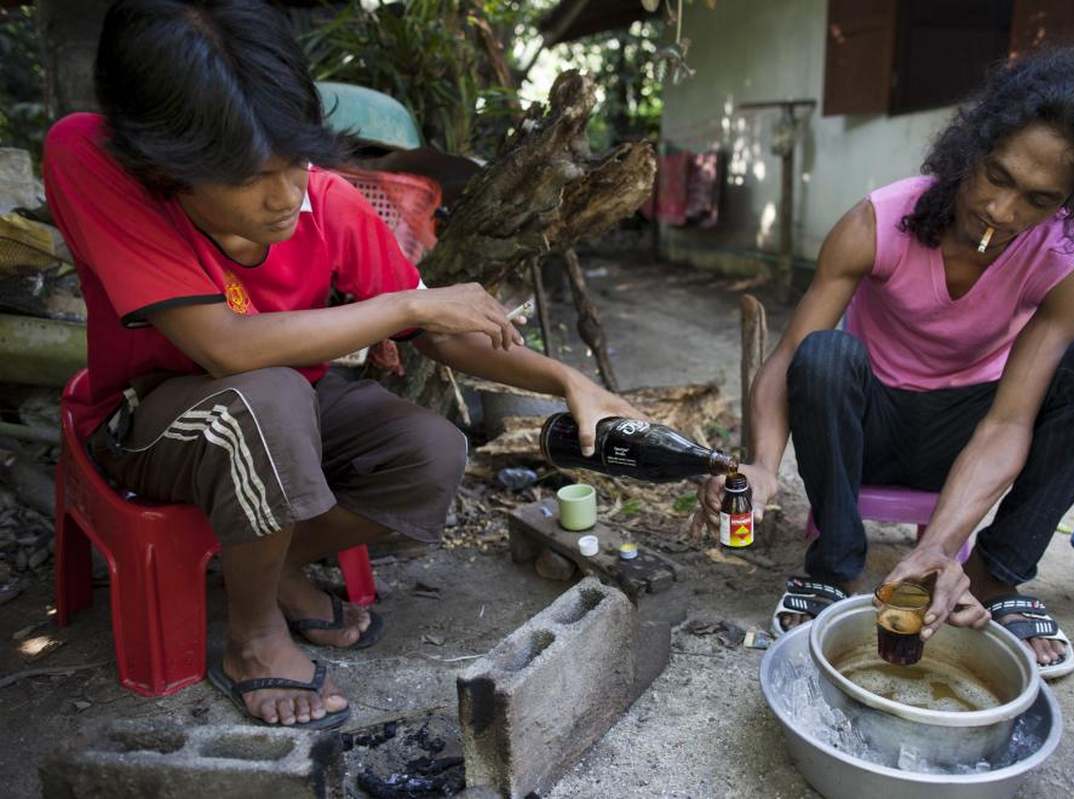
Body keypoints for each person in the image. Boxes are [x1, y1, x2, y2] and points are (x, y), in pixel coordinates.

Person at [43, 0, 641, 729]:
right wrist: (402, 310)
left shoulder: (327, 204)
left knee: (430, 451)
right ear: (168, 164)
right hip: (149, 419)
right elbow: (223, 347)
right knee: (267, 401)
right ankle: (254, 637)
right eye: (251, 175)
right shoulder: (91, 158)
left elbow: (445, 334)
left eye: (296, 160)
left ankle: (274, 565)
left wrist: (569, 382)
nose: (286, 194)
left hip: (282, 409)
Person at [698, 48, 1074, 679]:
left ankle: (991, 578)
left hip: (968, 432)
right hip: (870, 425)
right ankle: (832, 566)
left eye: (1038, 200)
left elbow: (1007, 423)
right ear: (971, 148)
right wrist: (763, 463)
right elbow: (788, 358)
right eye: (996, 176)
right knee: (824, 354)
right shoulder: (878, 221)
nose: (1001, 211)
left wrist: (939, 545)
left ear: (1070, 202)